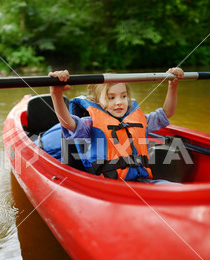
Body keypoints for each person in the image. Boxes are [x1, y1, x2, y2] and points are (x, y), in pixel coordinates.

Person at [49, 68, 184, 183]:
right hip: (108, 187)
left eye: (123, 96)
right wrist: (56, 94)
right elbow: (68, 123)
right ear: (97, 101)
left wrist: (173, 85)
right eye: (111, 98)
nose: (119, 102)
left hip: (143, 182)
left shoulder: (140, 119)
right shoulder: (90, 124)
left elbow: (167, 112)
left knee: (176, 190)